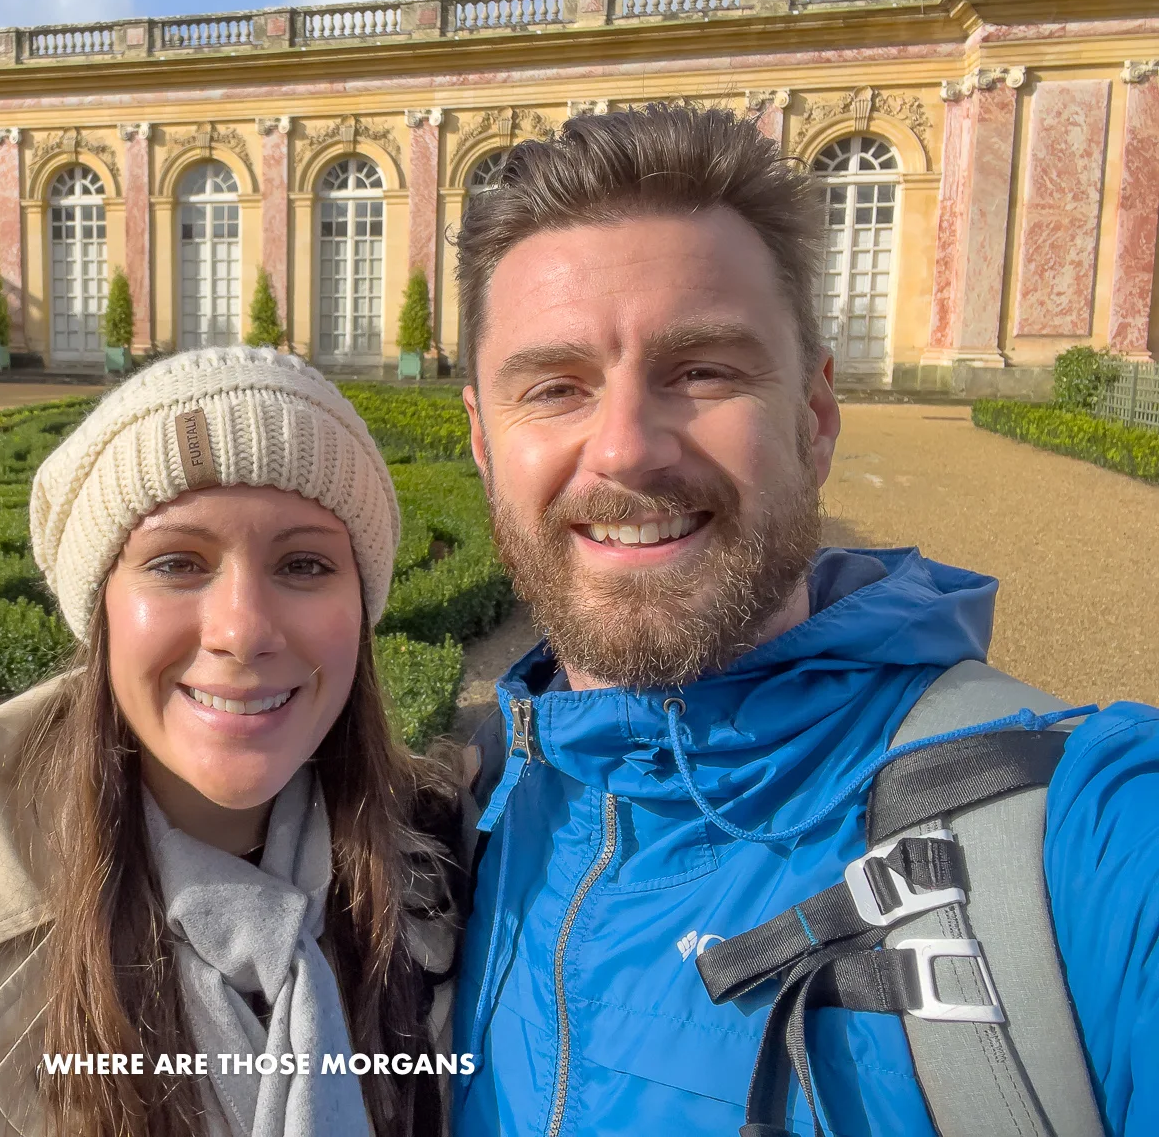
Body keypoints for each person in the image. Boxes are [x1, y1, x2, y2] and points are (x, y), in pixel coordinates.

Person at [450, 106, 1158, 1136]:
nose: (625, 450)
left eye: (702, 371)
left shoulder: (1081, 827)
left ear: (816, 418)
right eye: (554, 388)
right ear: (482, 438)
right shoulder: (458, 823)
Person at [0, 346, 467, 1137]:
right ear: (100, 611)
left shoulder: (453, 869)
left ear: (362, 605)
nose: (243, 631)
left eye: (305, 563)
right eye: (178, 563)